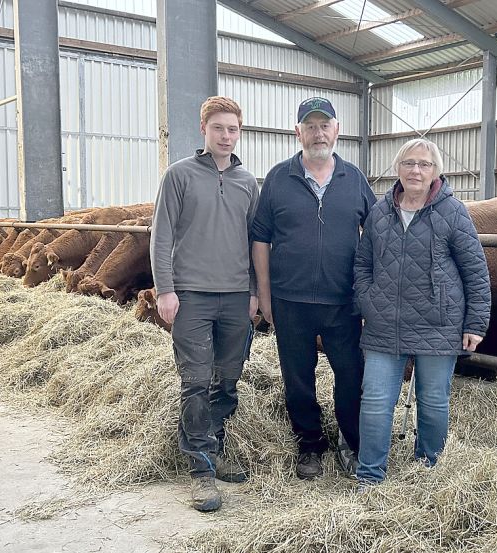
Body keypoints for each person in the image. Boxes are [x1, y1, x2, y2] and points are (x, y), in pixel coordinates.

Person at [251, 97, 377, 479]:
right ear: (298, 132)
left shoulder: (354, 179)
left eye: (325, 125)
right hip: (291, 301)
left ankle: (350, 441)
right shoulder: (278, 177)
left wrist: (369, 296)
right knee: (297, 377)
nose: (318, 132)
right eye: (310, 125)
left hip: (343, 302)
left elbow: (374, 236)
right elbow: (260, 238)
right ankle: (309, 444)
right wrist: (266, 294)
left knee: (350, 375)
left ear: (337, 131)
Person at [353, 137, 491, 486]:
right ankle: (369, 477)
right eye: (409, 163)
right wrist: (368, 302)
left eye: (425, 164)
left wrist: (475, 322)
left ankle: (428, 471)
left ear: (435, 173)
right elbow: (362, 263)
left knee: (432, 401)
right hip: (385, 323)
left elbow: (475, 269)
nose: (416, 170)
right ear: (397, 169)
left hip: (438, 322)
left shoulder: (452, 211)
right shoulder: (380, 212)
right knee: (375, 401)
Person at [150, 96, 259, 512]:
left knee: (227, 380)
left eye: (233, 129)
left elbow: (254, 243)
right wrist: (165, 289)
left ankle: (215, 448)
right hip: (191, 294)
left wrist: (251, 292)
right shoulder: (179, 175)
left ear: (239, 131)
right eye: (219, 128)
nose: (226, 136)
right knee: (195, 380)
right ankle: (199, 469)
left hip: (234, 297)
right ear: (204, 130)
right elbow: (161, 235)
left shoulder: (248, 182)